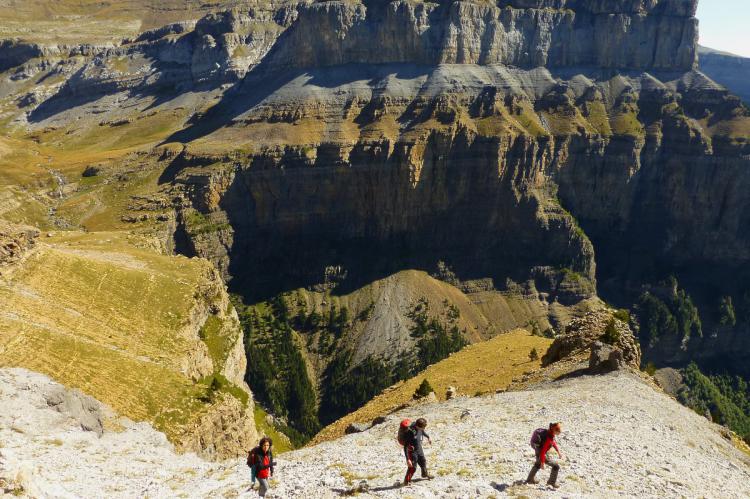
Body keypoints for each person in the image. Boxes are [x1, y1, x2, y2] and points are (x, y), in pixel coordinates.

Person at [526, 422, 564, 489]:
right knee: (556, 466)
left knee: (537, 464)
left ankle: (530, 479)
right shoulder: (548, 438)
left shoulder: (550, 433)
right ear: (554, 430)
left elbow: (553, 443)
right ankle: (551, 482)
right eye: (559, 431)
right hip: (541, 451)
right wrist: (543, 463)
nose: (560, 433)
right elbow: (543, 452)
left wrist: (558, 452)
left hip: (538, 449)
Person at [403, 418, 433, 485]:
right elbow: (405, 446)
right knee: (413, 467)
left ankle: (424, 474)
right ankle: (406, 481)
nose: (424, 428)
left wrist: (428, 437)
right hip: (413, 452)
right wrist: (408, 459)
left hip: (419, 448)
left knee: (423, 462)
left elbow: (422, 432)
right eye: (423, 427)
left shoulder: (420, 428)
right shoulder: (410, 433)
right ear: (418, 426)